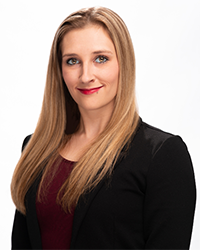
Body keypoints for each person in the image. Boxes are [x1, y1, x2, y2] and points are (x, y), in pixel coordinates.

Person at [11, 6, 196, 250]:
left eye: (101, 59)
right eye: (73, 61)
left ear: (124, 64)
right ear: (60, 70)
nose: (86, 75)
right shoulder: (36, 148)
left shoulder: (162, 156)